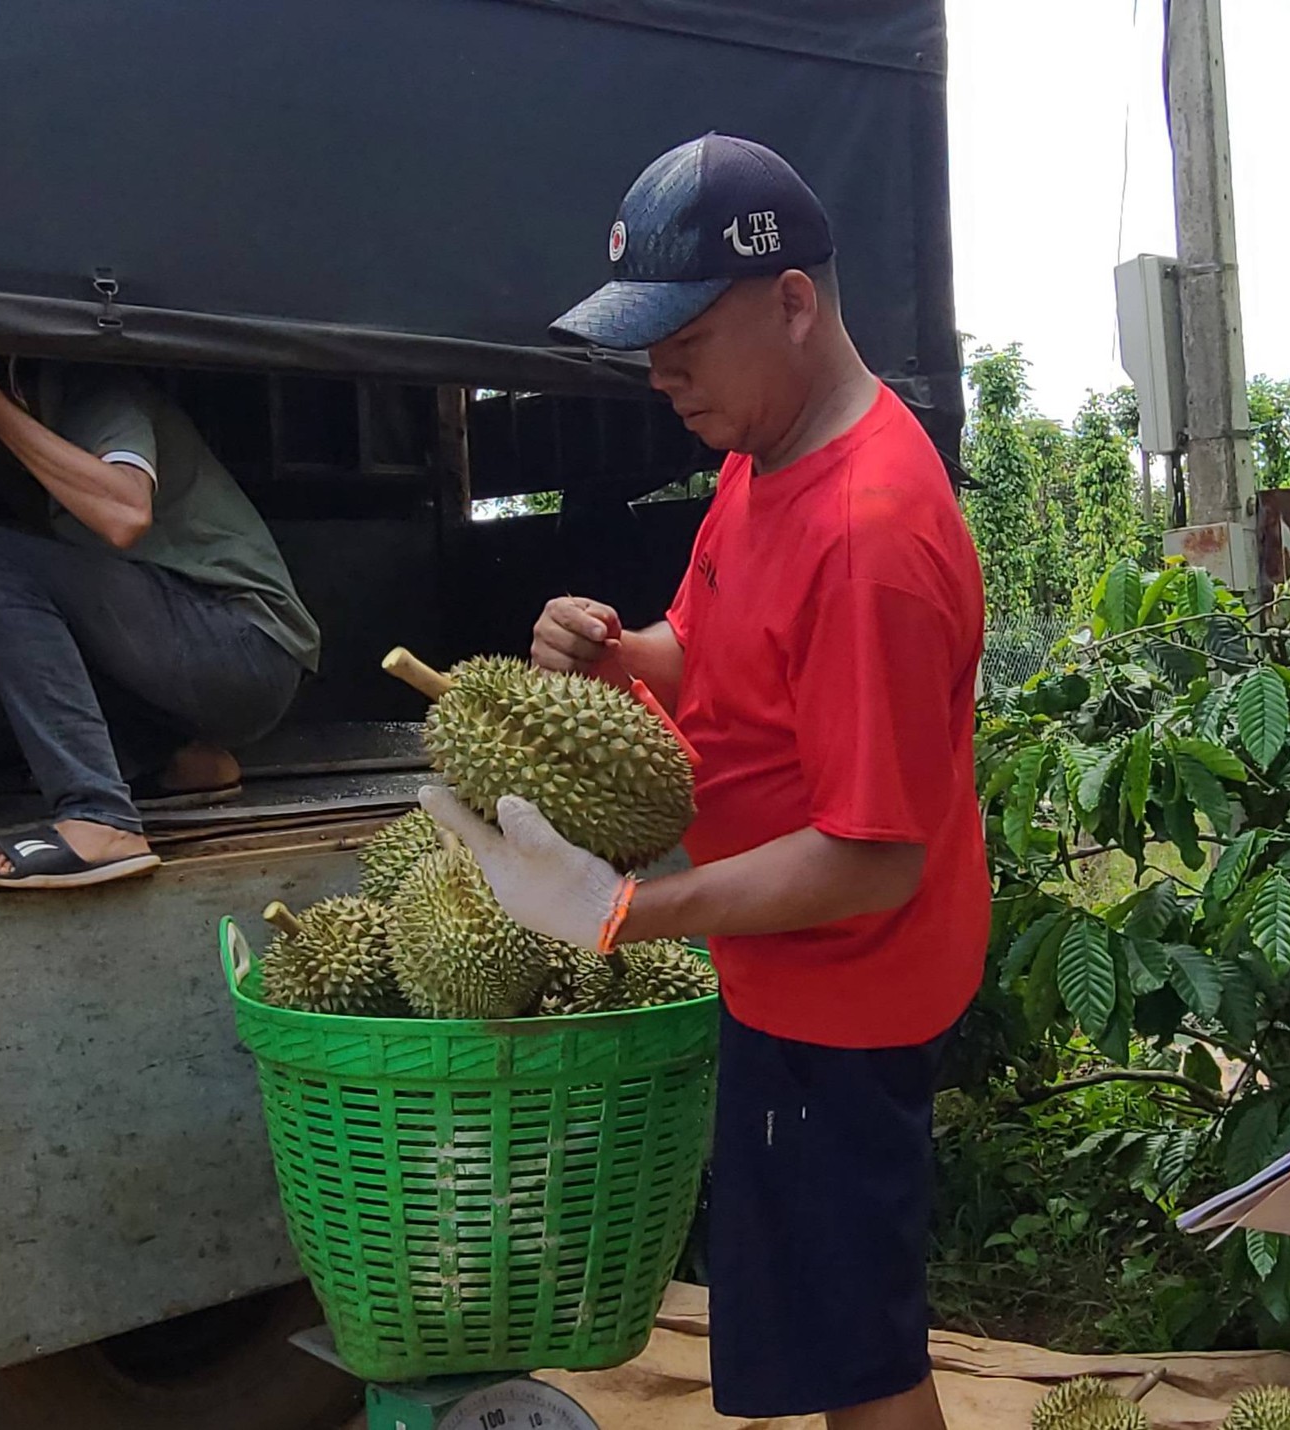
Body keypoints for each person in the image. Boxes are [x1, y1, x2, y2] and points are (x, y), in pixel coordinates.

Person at [419, 134, 985, 1430]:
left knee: (864, 1348)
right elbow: (705, 653)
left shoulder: (872, 535)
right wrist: (617, 650)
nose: (658, 367)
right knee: (831, 1320)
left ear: (793, 303)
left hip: (851, 986)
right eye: (647, 337)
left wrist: (625, 912)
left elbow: (870, 853)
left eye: (685, 332)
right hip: (785, 968)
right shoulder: (760, 455)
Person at [0, 348, 320, 889]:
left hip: (243, 645)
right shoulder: (37, 468)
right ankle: (190, 758)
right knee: (30, 600)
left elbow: (125, 514)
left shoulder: (93, 390)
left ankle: (99, 818)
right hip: (212, 676)